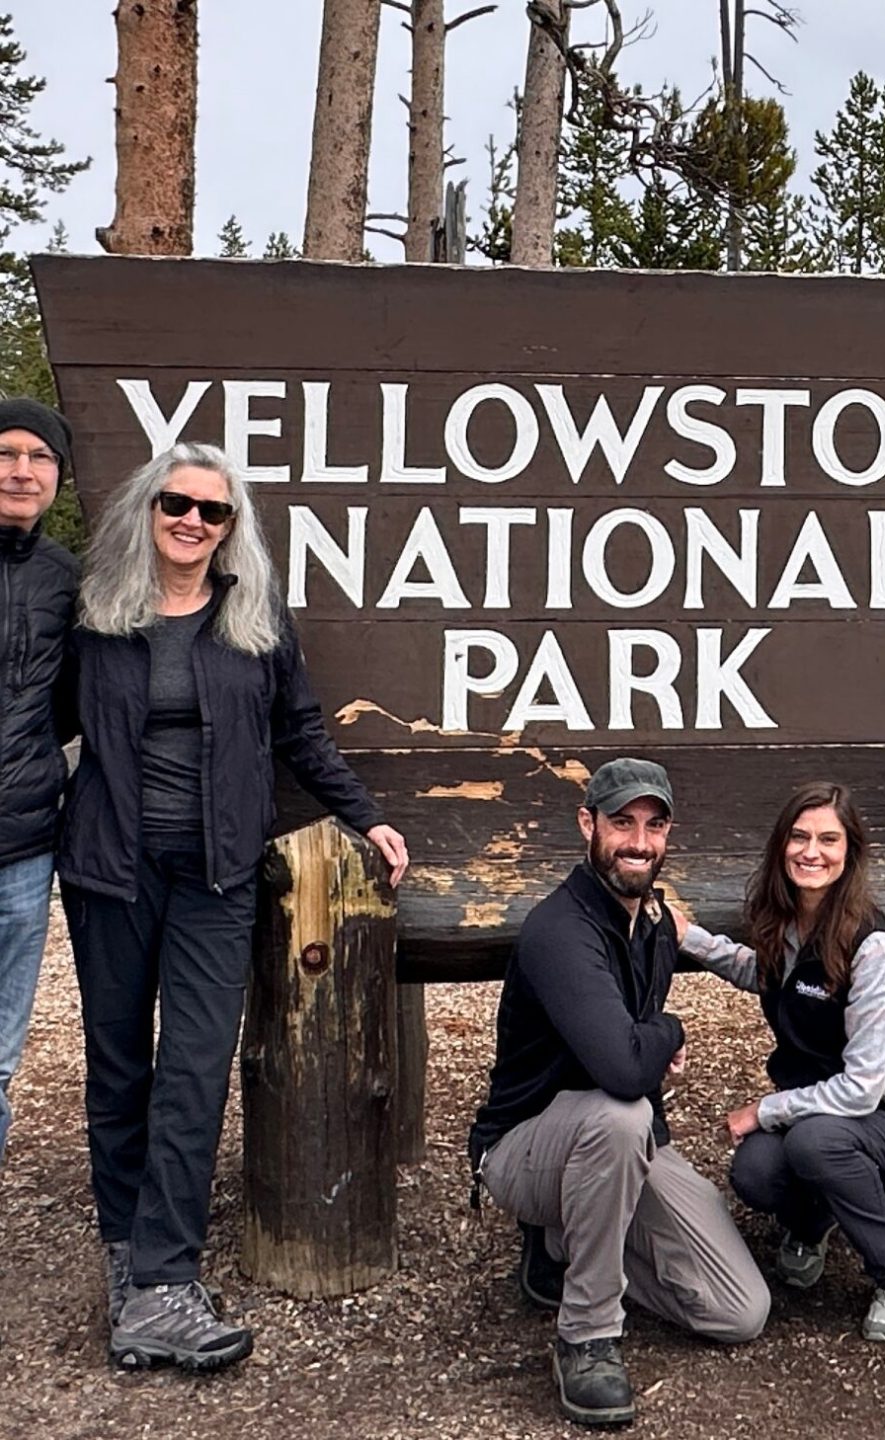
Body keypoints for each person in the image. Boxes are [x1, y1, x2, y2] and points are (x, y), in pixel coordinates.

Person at [60, 441, 409, 1372]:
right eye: (177, 503)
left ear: (230, 530)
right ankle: (128, 1255)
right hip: (110, 870)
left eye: (213, 512)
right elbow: (38, 717)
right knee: (119, 1063)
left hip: (215, 876)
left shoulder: (253, 619)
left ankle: (166, 1278)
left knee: (195, 1068)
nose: (192, 521)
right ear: (148, 508)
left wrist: (363, 817)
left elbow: (299, 729)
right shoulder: (94, 614)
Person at [469, 758, 769, 1430]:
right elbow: (628, 1071)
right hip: (525, 1149)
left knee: (738, 1312)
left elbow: (635, 1063)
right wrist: (670, 1028)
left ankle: (563, 1247)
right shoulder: (559, 931)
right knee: (620, 1112)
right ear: (588, 824)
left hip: (623, 1142)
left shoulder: (658, 925)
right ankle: (587, 1336)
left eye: (654, 826)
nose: (639, 841)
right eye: (622, 823)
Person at [676, 781, 885, 1343]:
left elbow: (864, 1088)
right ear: (781, 846)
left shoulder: (872, 945)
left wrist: (765, 1110)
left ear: (850, 852)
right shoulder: (786, 922)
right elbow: (763, 973)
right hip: (814, 1119)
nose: (811, 852)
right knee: (754, 1172)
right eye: (798, 837)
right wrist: (688, 937)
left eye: (828, 839)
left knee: (812, 1144)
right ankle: (813, 1220)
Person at [0, 398, 79, 1174]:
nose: (21, 470)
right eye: (7, 452)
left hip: (23, 848)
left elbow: (66, 704)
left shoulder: (65, 579)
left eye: (38, 457)